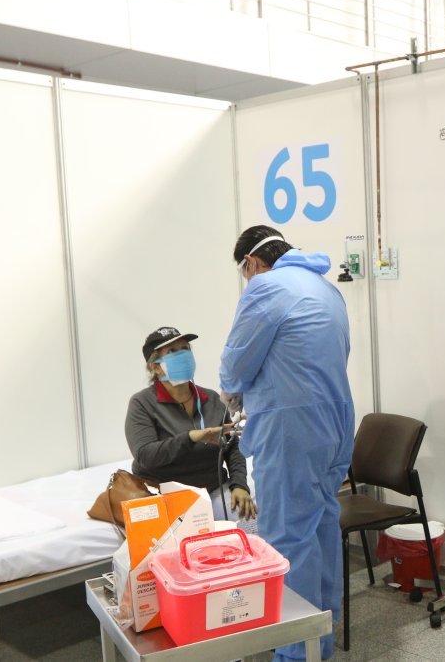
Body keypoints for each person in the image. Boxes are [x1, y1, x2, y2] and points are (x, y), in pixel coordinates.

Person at [220, 226, 353, 662]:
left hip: (292, 430)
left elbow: (238, 359)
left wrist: (232, 392)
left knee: (287, 539)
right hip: (335, 424)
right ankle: (321, 638)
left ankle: (297, 653)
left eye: (244, 271)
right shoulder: (327, 290)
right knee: (322, 527)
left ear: (252, 263)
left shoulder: (266, 288)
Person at [125, 326, 256, 525]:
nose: (182, 355)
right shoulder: (142, 403)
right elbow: (145, 456)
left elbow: (232, 446)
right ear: (155, 367)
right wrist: (190, 437)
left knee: (250, 520)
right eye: (172, 351)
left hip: (212, 488)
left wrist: (239, 484)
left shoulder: (211, 399)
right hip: (165, 494)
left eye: (185, 349)